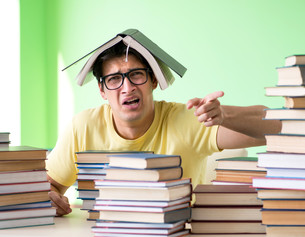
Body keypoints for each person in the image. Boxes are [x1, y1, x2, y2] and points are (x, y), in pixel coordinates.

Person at [46, 41, 281, 216]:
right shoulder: (82, 127)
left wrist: (226, 115)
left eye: (136, 75)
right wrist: (50, 198)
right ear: (102, 90)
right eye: (114, 79)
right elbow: (51, 184)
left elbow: (278, 128)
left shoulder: (189, 119)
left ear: (154, 81)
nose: (127, 88)